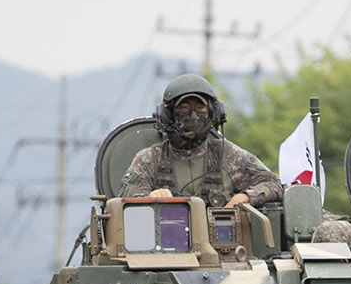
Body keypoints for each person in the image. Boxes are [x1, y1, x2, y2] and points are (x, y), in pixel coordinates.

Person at [120, 74, 281, 211]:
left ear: (214, 113)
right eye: (183, 107)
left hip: (222, 246)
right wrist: (151, 198)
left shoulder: (227, 155)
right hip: (163, 245)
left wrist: (244, 197)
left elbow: (274, 184)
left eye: (200, 107)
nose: (193, 115)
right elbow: (126, 202)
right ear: (167, 115)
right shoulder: (150, 159)